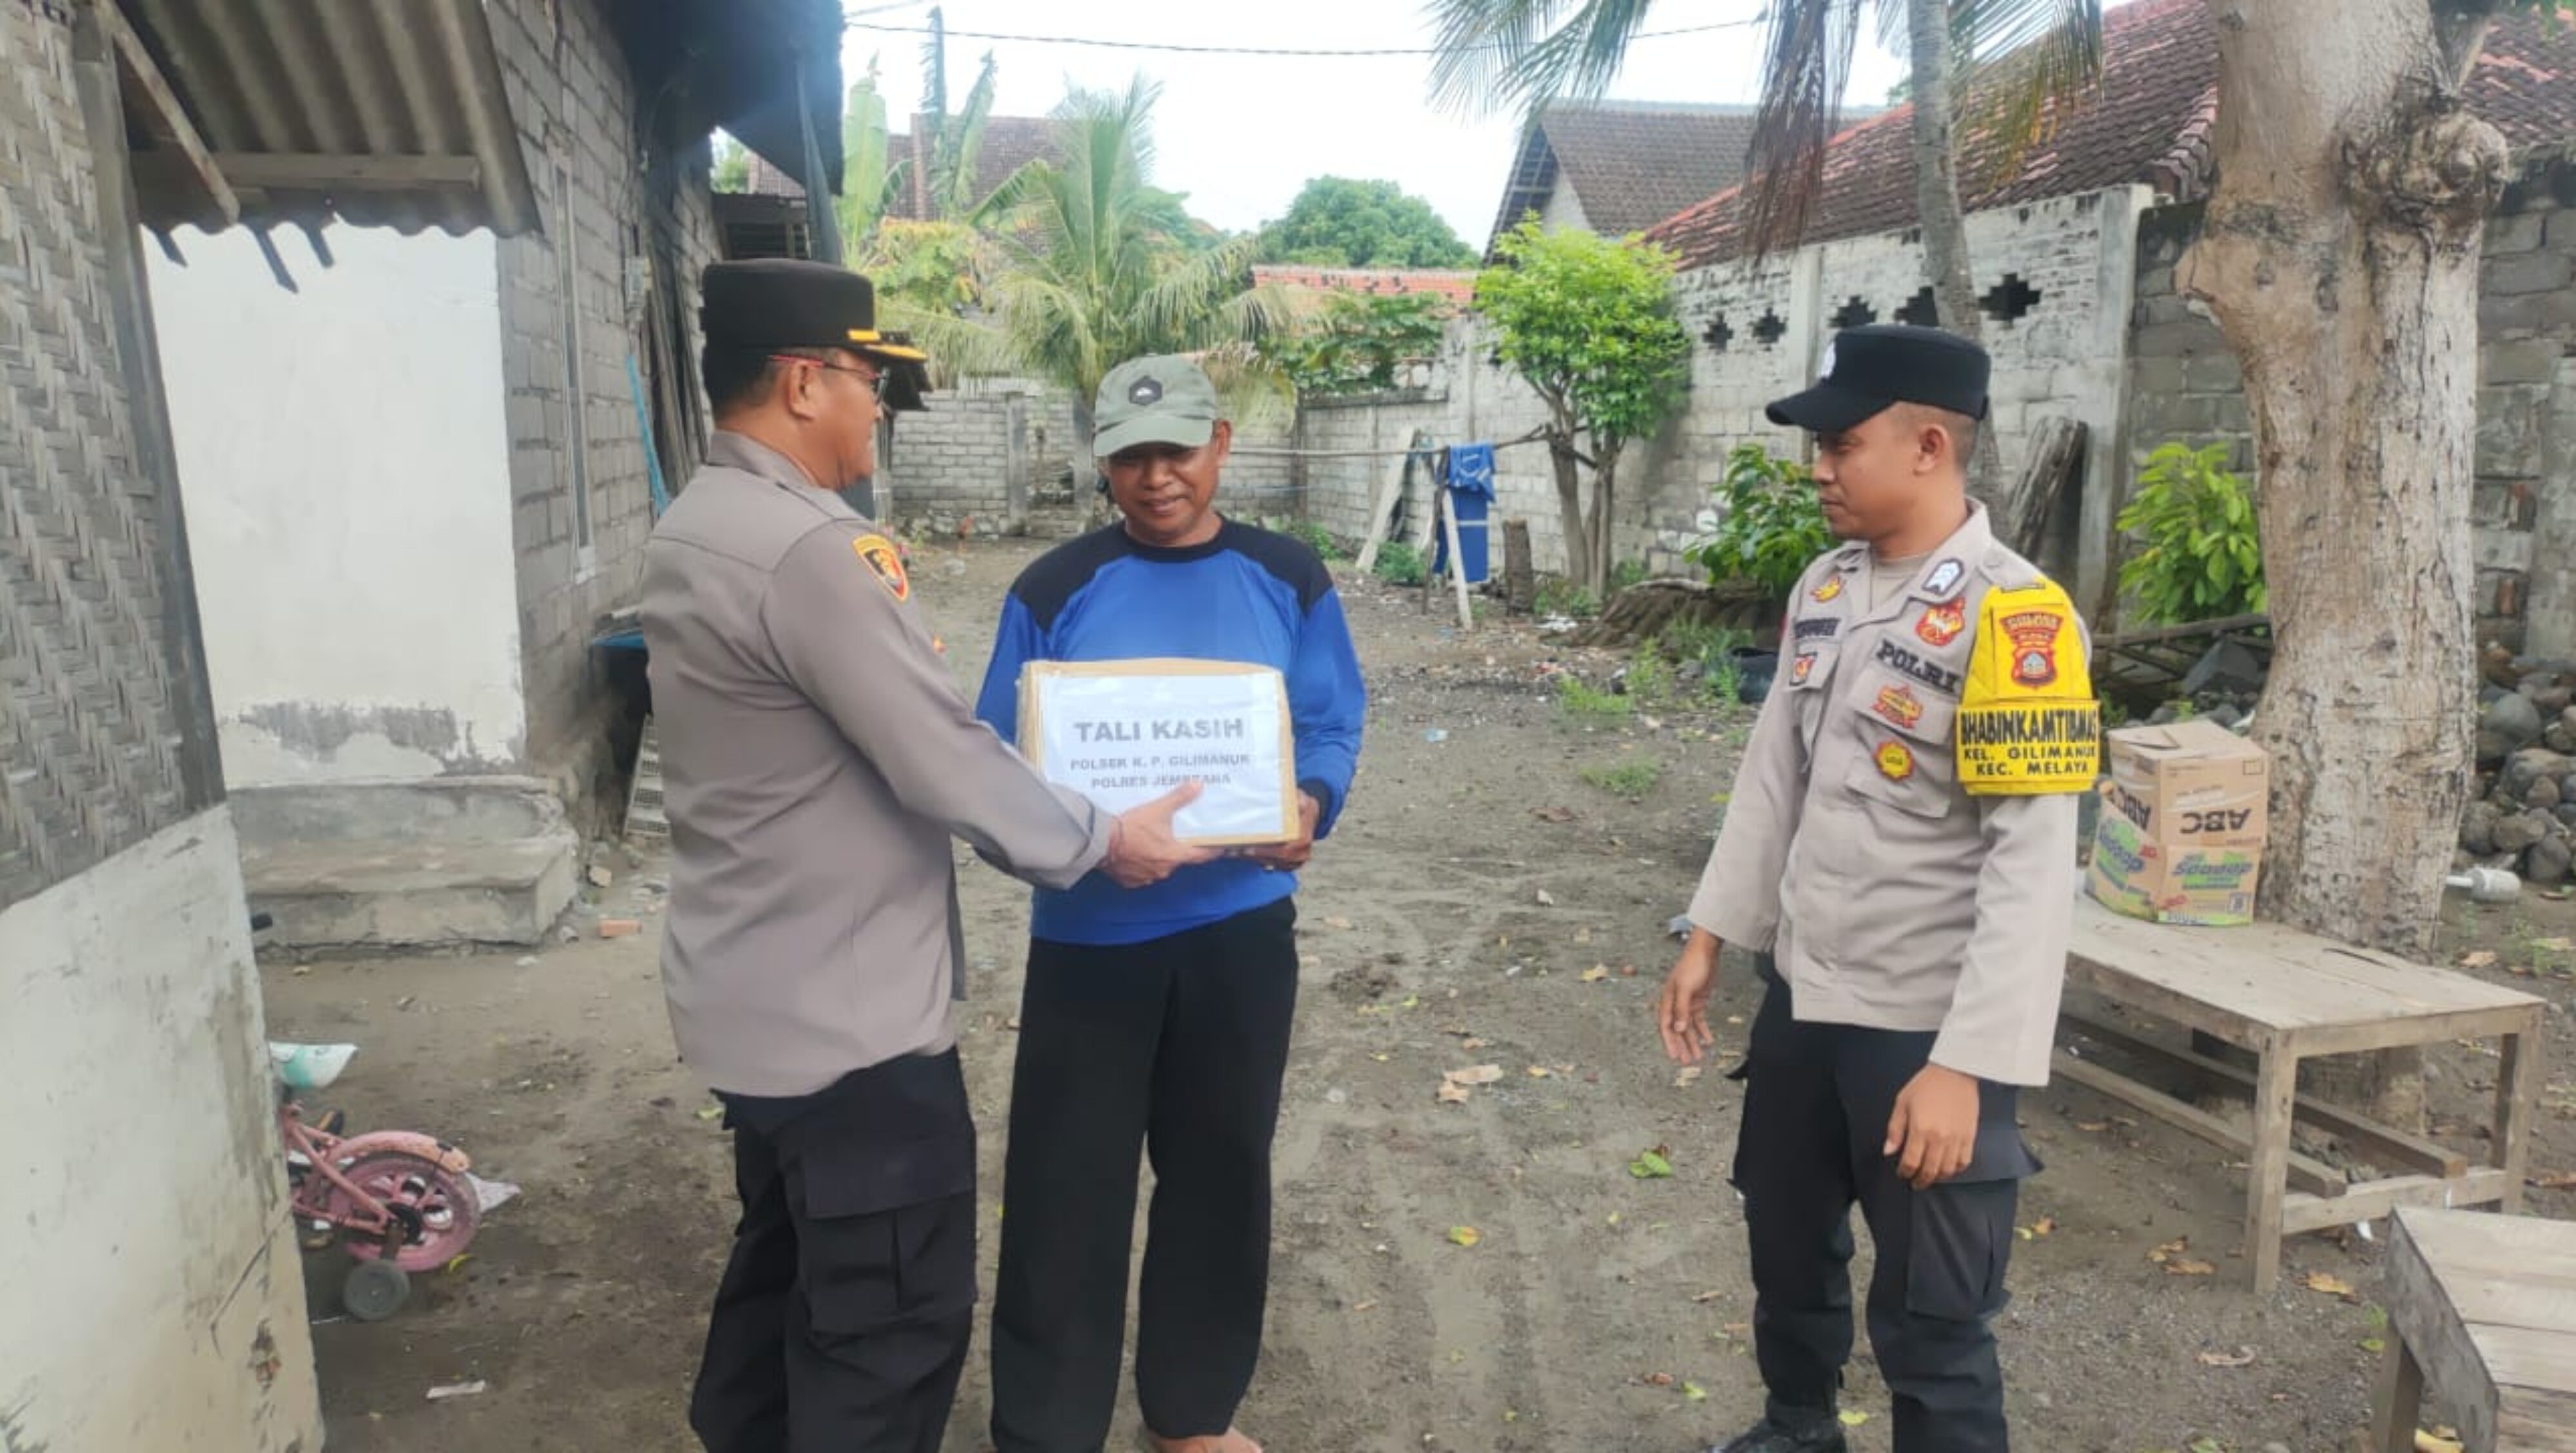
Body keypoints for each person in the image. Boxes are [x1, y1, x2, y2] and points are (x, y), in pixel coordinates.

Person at [640, 259, 1214, 1453]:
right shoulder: (811, 549)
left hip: (756, 996)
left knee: (785, 1292)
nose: (878, 409)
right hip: (851, 1030)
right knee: (886, 1331)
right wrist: (1106, 838)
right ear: (803, 383)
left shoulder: (699, 519)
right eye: (868, 381)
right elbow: (940, 753)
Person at [1655, 325, 2099, 1453]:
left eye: (1841, 445)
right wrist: (1712, 935)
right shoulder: (1826, 586)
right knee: (1787, 1247)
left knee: (1935, 1317)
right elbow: (1775, 776)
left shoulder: (2018, 616)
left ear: (1928, 446)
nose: (1820, 469)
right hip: (1803, 1001)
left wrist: (1967, 1067)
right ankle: (1800, 1427)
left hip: (1921, 1028)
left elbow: (2031, 867)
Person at [972, 355, 1368, 1453]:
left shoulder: (1287, 575)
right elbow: (992, 765)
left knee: (1221, 1172)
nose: (1157, 478)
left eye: (1178, 452)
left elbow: (1331, 719)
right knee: (1066, 1190)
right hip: (1091, 942)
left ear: (1221, 445)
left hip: (1239, 934)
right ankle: (1048, 1430)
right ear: (1102, 462)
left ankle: (1192, 1414)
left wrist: (1310, 799)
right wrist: (1090, 845)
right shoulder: (1053, 589)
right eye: (1131, 457)